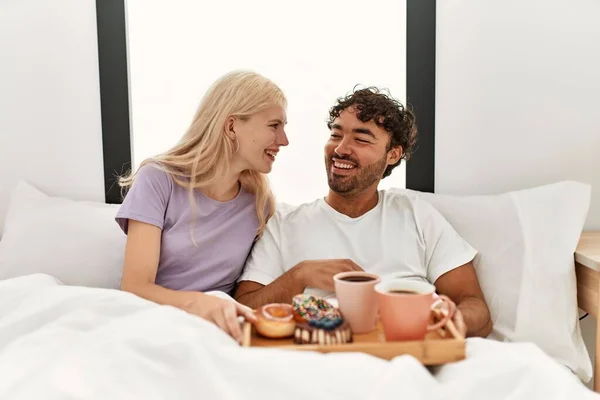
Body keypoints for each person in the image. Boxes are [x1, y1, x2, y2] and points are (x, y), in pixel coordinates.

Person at [235, 87, 492, 338]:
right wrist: (300, 275)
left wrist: (441, 321)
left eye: (360, 139)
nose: (341, 149)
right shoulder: (284, 223)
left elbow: (475, 307)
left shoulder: (415, 214)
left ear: (392, 154)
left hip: (407, 348)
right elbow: (242, 309)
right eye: (336, 135)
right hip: (324, 352)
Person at [115, 70, 289, 343]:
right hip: (151, 323)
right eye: (274, 125)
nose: (284, 140)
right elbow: (135, 287)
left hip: (218, 332)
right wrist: (200, 304)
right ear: (232, 126)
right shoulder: (158, 180)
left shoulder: (259, 203)